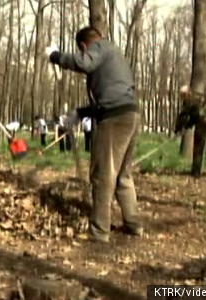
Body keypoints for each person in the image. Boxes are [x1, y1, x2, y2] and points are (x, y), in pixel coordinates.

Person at [46, 26, 142, 243]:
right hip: (130, 114)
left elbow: (84, 63)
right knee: (123, 175)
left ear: (83, 45)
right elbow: (109, 96)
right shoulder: (114, 55)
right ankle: (134, 224)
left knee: (102, 175)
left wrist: (55, 56)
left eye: (82, 50)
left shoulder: (100, 47)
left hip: (114, 119)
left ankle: (99, 231)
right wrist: (79, 113)